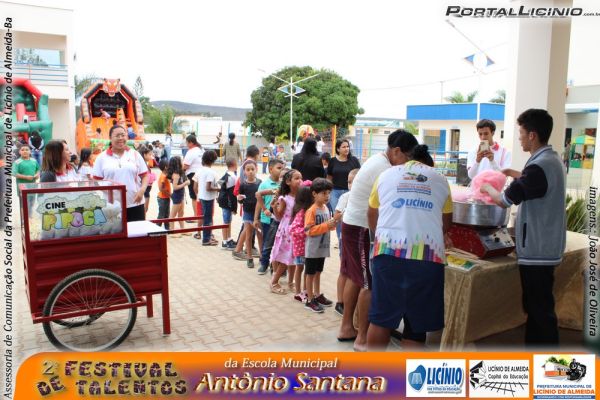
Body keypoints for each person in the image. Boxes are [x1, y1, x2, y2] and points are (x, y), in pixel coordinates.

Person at [480, 108, 565, 346]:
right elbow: (536, 184)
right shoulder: (551, 159)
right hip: (546, 245)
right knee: (540, 309)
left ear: (532, 135)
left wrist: (487, 188)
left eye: (521, 132)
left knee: (540, 311)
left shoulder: (539, 166)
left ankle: (547, 365)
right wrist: (511, 173)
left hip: (538, 248)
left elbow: (504, 199)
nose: (519, 137)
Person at [337, 129, 418, 350]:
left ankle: (347, 327)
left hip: (352, 224)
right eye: (408, 157)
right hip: (361, 228)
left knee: (355, 277)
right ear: (397, 151)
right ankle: (362, 337)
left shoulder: (377, 160)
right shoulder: (385, 169)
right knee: (369, 284)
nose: (408, 163)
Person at [366, 144, 451, 350]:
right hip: (427, 257)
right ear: (428, 164)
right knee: (416, 324)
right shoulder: (440, 180)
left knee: (381, 319)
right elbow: (445, 223)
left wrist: (381, 239)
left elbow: (371, 213)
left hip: (387, 253)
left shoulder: (386, 175)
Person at [91, 126, 149, 221]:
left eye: (123, 135)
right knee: (116, 235)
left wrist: (142, 190)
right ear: (110, 138)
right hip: (112, 207)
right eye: (117, 135)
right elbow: (96, 181)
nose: (121, 138)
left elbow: (145, 175)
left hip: (135, 204)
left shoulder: (135, 154)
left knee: (136, 234)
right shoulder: (101, 158)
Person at [304, 178, 341, 313]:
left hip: (322, 248)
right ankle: (309, 299)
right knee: (310, 273)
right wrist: (327, 225)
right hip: (313, 249)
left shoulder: (326, 208)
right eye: (324, 193)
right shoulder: (311, 210)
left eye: (328, 193)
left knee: (318, 272)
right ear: (314, 194)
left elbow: (326, 227)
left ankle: (317, 294)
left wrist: (333, 223)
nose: (327, 196)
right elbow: (308, 230)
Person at [269, 169, 303, 294]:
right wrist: (274, 207)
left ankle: (290, 282)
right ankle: (274, 282)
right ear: (288, 182)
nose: (300, 181)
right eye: (297, 178)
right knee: (285, 259)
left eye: (301, 178)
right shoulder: (284, 198)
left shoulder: (300, 196)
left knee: (293, 257)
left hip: (296, 231)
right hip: (286, 231)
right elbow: (279, 217)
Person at [334, 168, 360, 316]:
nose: (351, 185)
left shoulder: (365, 197)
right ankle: (340, 302)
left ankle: (351, 301)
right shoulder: (346, 197)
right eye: (349, 182)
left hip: (359, 240)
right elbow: (337, 215)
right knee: (344, 271)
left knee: (355, 272)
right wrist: (348, 212)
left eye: (354, 182)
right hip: (347, 239)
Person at [254, 158, 285, 274]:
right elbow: (258, 200)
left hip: (280, 220)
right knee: (267, 243)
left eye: (282, 168)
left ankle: (276, 267)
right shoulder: (264, 184)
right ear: (270, 169)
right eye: (279, 168)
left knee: (280, 244)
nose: (281, 171)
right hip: (267, 220)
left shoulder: (284, 184)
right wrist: (256, 218)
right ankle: (264, 263)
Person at [327, 139, 361, 243]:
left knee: (349, 215)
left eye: (347, 146)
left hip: (350, 193)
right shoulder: (332, 161)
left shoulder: (354, 160)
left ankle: (349, 238)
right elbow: (329, 177)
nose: (346, 149)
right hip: (335, 193)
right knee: (338, 216)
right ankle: (340, 238)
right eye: (344, 147)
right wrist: (328, 192)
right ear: (338, 149)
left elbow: (359, 175)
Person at [233, 161, 262, 268]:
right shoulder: (243, 184)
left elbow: (262, 198)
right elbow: (240, 200)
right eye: (248, 169)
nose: (250, 172)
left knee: (260, 235)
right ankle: (249, 257)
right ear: (244, 171)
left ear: (256, 170)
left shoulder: (260, 183)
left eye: (252, 169)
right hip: (248, 213)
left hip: (258, 213)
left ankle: (262, 256)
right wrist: (239, 199)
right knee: (249, 235)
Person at [289, 184, 312, 302]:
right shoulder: (301, 212)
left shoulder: (308, 210)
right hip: (300, 247)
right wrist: (306, 231)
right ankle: (298, 292)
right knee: (300, 268)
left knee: (306, 269)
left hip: (307, 246)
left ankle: (305, 290)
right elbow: (292, 229)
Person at [194, 150, 220, 245]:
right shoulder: (211, 172)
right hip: (208, 198)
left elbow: (196, 186)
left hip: (201, 197)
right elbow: (208, 187)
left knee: (206, 217)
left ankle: (208, 237)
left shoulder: (200, 170)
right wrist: (219, 189)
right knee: (208, 219)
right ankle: (206, 239)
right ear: (213, 160)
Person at [217, 157, 238, 250]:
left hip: (223, 199)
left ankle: (228, 239)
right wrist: (234, 208)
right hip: (227, 201)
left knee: (228, 221)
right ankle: (225, 241)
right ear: (234, 164)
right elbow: (232, 194)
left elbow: (219, 183)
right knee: (226, 221)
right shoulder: (232, 177)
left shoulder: (227, 174)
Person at [167, 156, 190, 236]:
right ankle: (172, 231)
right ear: (178, 163)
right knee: (172, 214)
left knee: (181, 213)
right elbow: (175, 187)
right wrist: (185, 183)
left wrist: (186, 181)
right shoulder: (176, 174)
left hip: (181, 195)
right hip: (177, 196)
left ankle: (183, 230)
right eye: (181, 160)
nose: (183, 161)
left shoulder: (180, 172)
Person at [183, 135, 204, 223]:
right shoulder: (201, 150)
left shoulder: (191, 152)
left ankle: (196, 216)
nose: (186, 144)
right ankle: (201, 214)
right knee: (200, 195)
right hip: (202, 174)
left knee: (194, 196)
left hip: (193, 175)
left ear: (191, 143)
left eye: (187, 142)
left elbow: (186, 166)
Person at [14, 144, 40, 214]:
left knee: (32, 203)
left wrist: (37, 174)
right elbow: (14, 174)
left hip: (33, 187)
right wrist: (26, 177)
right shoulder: (17, 162)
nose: (25, 151)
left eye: (27, 149)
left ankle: (30, 218)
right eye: (22, 150)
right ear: (19, 152)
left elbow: (38, 169)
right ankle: (24, 220)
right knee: (23, 204)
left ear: (30, 151)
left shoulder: (34, 161)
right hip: (22, 188)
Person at [139, 145, 157, 215]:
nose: (151, 156)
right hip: (144, 191)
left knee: (145, 209)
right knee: (144, 209)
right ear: (144, 154)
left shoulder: (145, 164)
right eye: (149, 154)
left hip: (146, 191)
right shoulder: (142, 165)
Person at [156, 159, 171, 229]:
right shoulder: (163, 176)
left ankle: (167, 228)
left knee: (166, 214)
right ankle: (156, 228)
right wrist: (169, 194)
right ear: (166, 167)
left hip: (165, 198)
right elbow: (161, 188)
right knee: (161, 215)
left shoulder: (165, 175)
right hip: (162, 198)